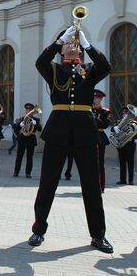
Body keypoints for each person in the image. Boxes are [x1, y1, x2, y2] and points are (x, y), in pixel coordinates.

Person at [29, 25, 113, 254]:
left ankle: (98, 235)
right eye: (68, 42)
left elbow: (106, 66)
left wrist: (87, 43)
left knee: (91, 186)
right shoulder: (54, 69)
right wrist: (58, 41)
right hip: (58, 130)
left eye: (75, 43)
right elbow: (40, 62)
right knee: (47, 183)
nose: (72, 44)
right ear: (61, 49)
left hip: (85, 131)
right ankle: (38, 229)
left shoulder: (89, 69)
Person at [12, 103, 42, 178]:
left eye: (30, 109)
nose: (28, 110)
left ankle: (28, 173)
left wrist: (36, 124)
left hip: (31, 138)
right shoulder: (22, 118)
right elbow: (15, 128)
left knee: (30, 157)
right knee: (19, 156)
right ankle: (16, 172)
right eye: (27, 109)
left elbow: (40, 129)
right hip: (22, 138)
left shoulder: (36, 120)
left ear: (32, 110)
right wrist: (20, 125)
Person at [92, 89, 111, 192]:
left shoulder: (105, 111)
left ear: (101, 99)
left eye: (96, 98)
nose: (94, 100)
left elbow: (104, 125)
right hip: (88, 137)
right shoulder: (88, 110)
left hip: (99, 138)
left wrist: (94, 118)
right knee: (88, 163)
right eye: (93, 98)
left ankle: (100, 186)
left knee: (99, 163)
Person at [114, 107, 136, 185]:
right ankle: (122, 180)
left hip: (130, 145)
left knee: (130, 163)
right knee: (122, 163)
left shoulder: (134, 122)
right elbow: (112, 131)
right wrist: (115, 128)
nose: (125, 114)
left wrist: (134, 138)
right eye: (124, 113)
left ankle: (131, 180)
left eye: (127, 113)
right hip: (121, 145)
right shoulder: (118, 122)